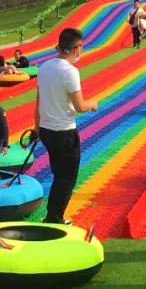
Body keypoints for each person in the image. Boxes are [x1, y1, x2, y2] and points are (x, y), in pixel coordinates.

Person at [33, 28, 98, 225]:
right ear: (77, 48)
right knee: (66, 178)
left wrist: (37, 127)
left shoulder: (44, 67)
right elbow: (79, 105)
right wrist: (93, 104)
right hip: (64, 132)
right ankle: (55, 218)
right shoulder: (70, 71)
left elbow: (38, 101)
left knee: (59, 174)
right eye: (81, 48)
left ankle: (52, 214)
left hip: (46, 130)